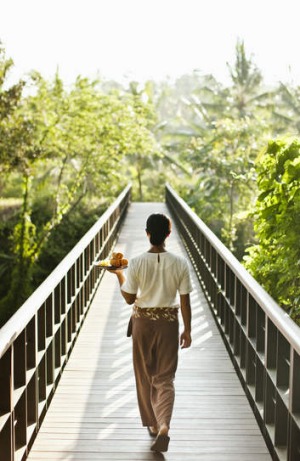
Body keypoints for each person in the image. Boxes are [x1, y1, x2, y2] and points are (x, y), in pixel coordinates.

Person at [110, 212, 192, 453]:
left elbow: (129, 298)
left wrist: (118, 274)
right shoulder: (180, 263)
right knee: (165, 378)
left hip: (143, 324)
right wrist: (187, 330)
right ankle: (165, 424)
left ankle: (154, 426)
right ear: (168, 234)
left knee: (145, 376)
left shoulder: (135, 263)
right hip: (169, 324)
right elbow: (185, 301)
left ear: (147, 234)